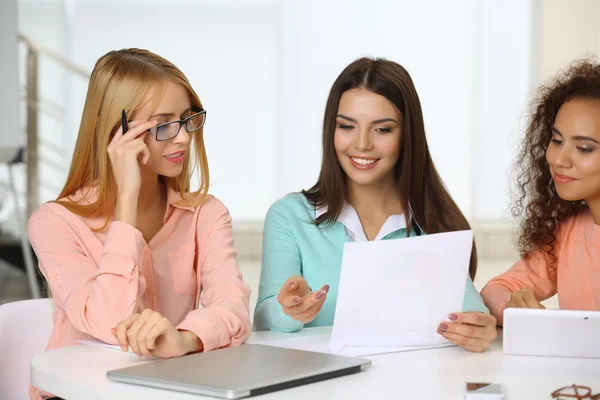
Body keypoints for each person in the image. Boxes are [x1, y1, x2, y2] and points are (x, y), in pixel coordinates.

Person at [27, 48, 251, 400]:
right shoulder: (55, 223)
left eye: (187, 119)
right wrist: (127, 201)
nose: (182, 137)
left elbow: (233, 307)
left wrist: (184, 339)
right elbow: (109, 322)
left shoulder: (206, 214)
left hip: (167, 391)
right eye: (162, 125)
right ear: (116, 134)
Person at [254, 57, 497, 353]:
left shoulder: (432, 221)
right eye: (347, 126)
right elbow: (265, 318)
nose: (362, 144)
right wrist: (290, 310)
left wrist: (479, 329)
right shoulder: (289, 216)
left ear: (407, 135)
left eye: (382, 130)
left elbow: (470, 310)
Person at [481, 59, 600, 324]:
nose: (559, 159)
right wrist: (515, 310)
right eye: (556, 141)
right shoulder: (569, 231)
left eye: (584, 148)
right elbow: (494, 290)